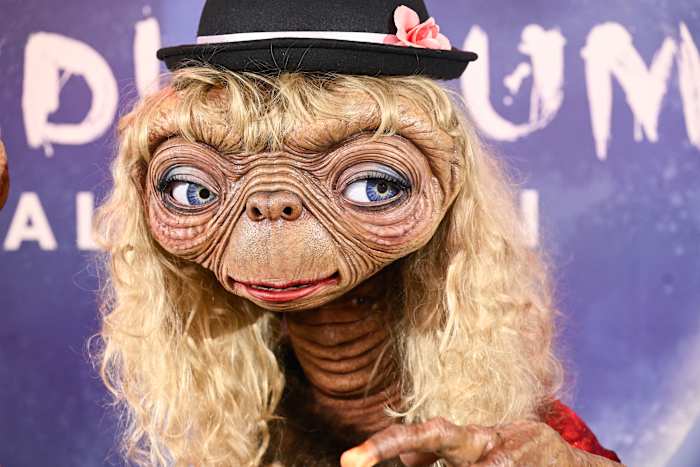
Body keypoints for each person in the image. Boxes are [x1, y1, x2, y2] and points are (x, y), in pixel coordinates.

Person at [95, 1, 623, 465]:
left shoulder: (507, 435)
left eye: (374, 184)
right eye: (194, 190)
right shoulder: (237, 425)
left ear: (447, 188)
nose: (272, 212)